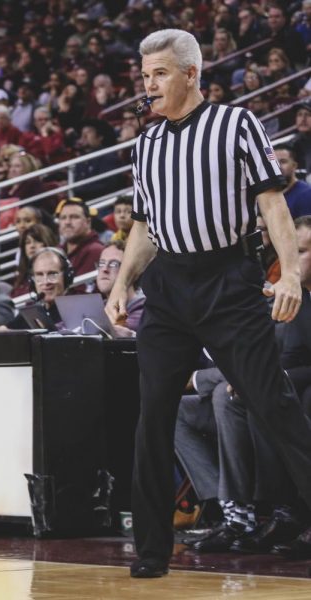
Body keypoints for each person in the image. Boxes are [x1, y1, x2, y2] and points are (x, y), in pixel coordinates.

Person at [105, 29, 311, 579]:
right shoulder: (146, 143)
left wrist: (290, 272)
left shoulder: (236, 124)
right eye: (145, 75)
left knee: (275, 404)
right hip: (169, 286)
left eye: (160, 74)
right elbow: (146, 226)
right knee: (152, 417)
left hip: (228, 279)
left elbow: (272, 206)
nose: (148, 86)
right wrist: (124, 281)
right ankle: (151, 549)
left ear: (191, 74)